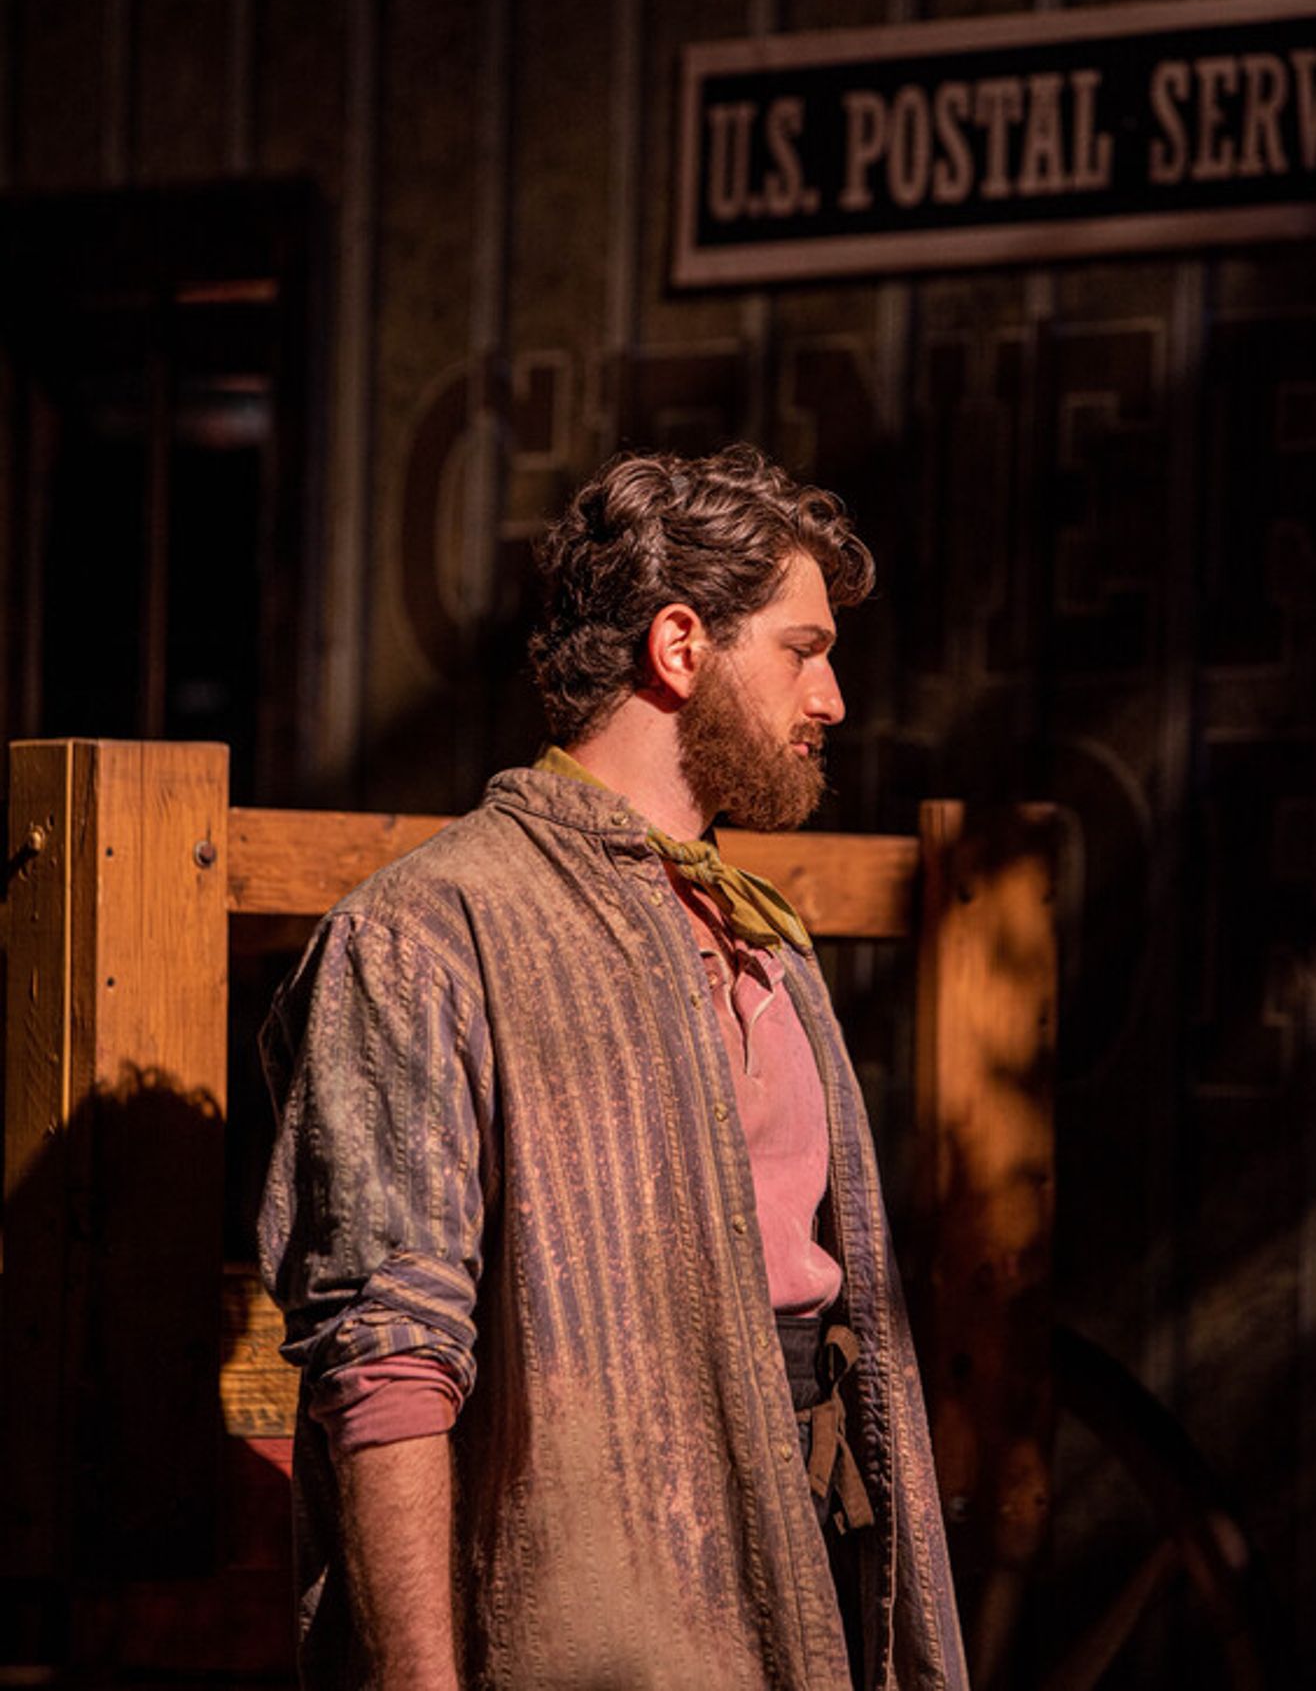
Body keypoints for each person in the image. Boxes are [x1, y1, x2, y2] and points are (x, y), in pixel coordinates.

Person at [258, 444, 968, 1691]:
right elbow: (387, 1355)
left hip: (806, 1553)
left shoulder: (756, 933)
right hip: (604, 1598)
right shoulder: (434, 928)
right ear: (681, 645)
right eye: (803, 650)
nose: (833, 699)